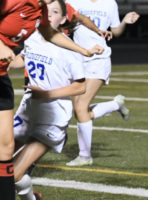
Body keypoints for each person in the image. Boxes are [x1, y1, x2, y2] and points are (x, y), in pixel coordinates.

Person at [0, 0, 103, 199]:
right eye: (48, 10)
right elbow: (20, 59)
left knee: (12, 172)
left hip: (52, 118)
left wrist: (83, 53)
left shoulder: (69, 51)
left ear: (64, 19)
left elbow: (80, 87)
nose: (48, 14)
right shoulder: (33, 37)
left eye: (55, 12)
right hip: (28, 111)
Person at [65, 0, 140, 167]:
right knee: (79, 111)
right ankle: (115, 104)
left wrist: (124, 22)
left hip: (99, 59)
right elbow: (66, 24)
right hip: (77, 59)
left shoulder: (109, 3)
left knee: (81, 107)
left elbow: (116, 31)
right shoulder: (73, 1)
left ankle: (85, 156)